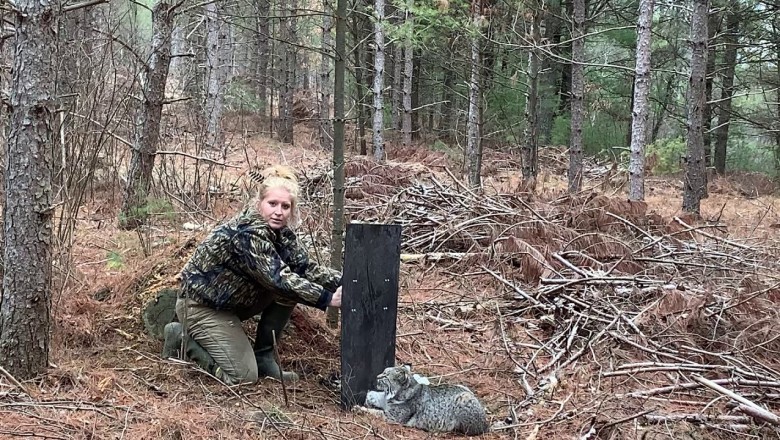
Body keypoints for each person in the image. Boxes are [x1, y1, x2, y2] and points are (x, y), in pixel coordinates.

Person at [162, 165, 343, 385]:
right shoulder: (249, 233)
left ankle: (264, 357)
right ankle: (181, 337)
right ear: (259, 204)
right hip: (201, 306)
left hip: (231, 303)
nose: (279, 211)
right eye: (272, 204)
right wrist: (327, 298)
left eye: (285, 206)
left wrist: (348, 280)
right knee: (243, 376)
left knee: (290, 292)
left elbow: (305, 268)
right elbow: (279, 278)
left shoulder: (280, 232)